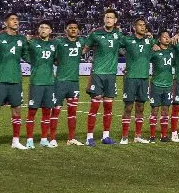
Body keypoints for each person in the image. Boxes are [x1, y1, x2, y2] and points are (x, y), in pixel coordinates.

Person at [0, 13, 28, 151]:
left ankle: (15, 141)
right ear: (6, 23)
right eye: (12, 19)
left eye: (17, 19)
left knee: (17, 111)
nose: (16, 21)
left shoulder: (22, 39)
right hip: (1, 80)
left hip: (16, 79)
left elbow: (26, 55)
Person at [82, 10, 123, 146]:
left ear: (115, 20)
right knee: (94, 106)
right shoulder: (96, 34)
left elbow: (131, 43)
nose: (109, 19)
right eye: (107, 17)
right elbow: (84, 49)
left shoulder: (118, 35)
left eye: (111, 17)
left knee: (108, 107)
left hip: (111, 74)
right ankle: (89, 137)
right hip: (98, 73)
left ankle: (106, 136)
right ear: (104, 19)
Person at [118, 16, 155, 144]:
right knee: (128, 107)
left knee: (140, 107)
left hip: (144, 79)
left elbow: (162, 44)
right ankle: (124, 136)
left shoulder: (150, 41)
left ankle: (138, 135)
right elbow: (114, 45)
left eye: (144, 25)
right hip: (131, 78)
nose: (143, 27)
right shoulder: (127, 40)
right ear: (134, 27)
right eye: (140, 25)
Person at [25, 21, 58, 148]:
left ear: (50, 31)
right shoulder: (32, 43)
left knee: (46, 112)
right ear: (38, 30)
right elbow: (24, 53)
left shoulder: (53, 44)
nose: (44, 29)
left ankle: (44, 139)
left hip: (49, 82)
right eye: (41, 27)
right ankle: (29, 140)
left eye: (46, 27)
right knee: (32, 112)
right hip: (36, 82)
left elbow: (56, 59)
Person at [53, 20, 85, 145]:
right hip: (60, 82)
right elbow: (51, 56)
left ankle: (71, 138)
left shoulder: (81, 42)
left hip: (74, 82)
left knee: (73, 112)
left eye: (75, 28)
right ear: (66, 30)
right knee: (55, 111)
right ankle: (53, 138)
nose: (73, 30)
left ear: (78, 30)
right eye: (70, 27)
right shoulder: (59, 42)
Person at [149, 30, 176, 142]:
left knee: (165, 110)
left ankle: (164, 135)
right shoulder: (154, 52)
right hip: (156, 84)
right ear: (159, 39)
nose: (166, 38)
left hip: (168, 84)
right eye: (164, 37)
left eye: (168, 37)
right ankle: (152, 136)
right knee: (154, 110)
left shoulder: (172, 52)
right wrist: (152, 43)